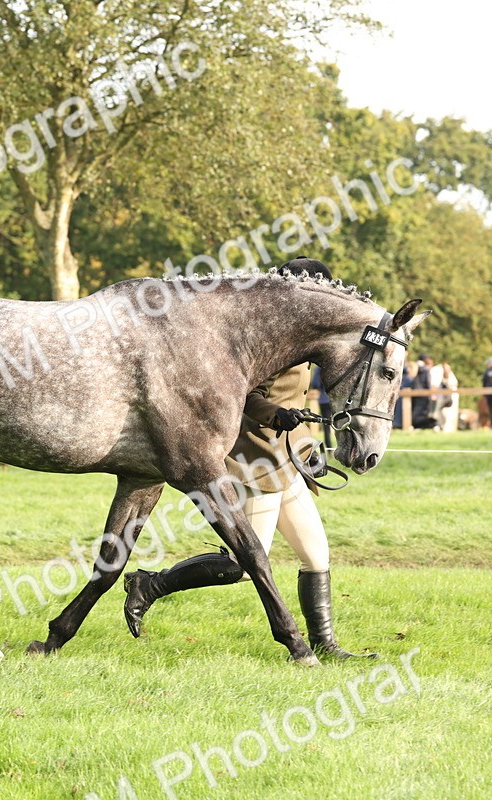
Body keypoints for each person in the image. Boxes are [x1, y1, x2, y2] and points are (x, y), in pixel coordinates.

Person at [122, 257, 375, 660]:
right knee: (242, 564)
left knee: (315, 555)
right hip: (255, 460)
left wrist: (309, 451)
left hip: (287, 460)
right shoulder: (269, 338)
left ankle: (325, 647)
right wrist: (276, 415)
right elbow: (245, 397)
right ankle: (150, 585)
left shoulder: (310, 342)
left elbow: (298, 400)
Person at [310, 366, 333, 448]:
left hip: (324, 400)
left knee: (326, 426)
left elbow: (315, 384)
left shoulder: (319, 369)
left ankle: (330, 448)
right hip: (335, 400)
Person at [440, 362, 460, 432]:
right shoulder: (442, 377)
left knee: (451, 414)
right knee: (444, 414)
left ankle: (450, 429)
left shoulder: (451, 377)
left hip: (452, 398)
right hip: (445, 398)